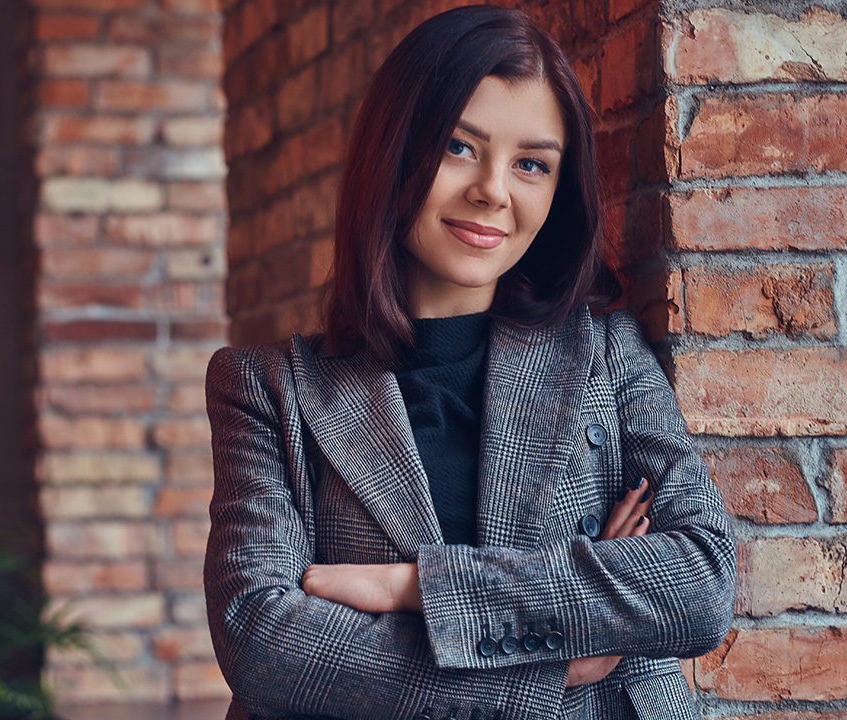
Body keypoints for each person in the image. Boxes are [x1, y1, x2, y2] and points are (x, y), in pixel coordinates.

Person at [203, 6, 736, 719]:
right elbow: (263, 642)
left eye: (530, 164)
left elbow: (700, 582)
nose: (493, 189)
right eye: (460, 147)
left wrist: (417, 588)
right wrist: (554, 667)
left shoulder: (606, 357)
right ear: (395, 154)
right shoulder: (268, 389)